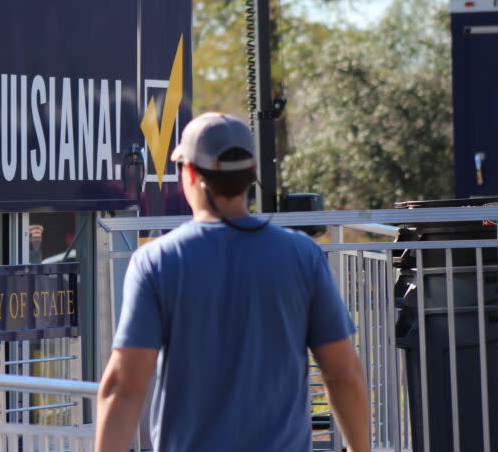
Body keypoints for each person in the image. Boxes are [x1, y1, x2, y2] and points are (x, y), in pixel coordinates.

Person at [95, 112, 370, 452]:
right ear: (252, 174)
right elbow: (343, 375)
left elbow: (124, 386)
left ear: (191, 173)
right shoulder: (303, 256)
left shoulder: (157, 261)